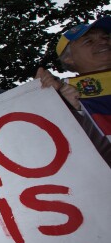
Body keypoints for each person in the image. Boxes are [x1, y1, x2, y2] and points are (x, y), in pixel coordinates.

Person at [36, 15, 111, 165]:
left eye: (106, 37)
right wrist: (68, 109)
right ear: (68, 58)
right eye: (89, 41)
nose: (103, 41)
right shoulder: (65, 96)